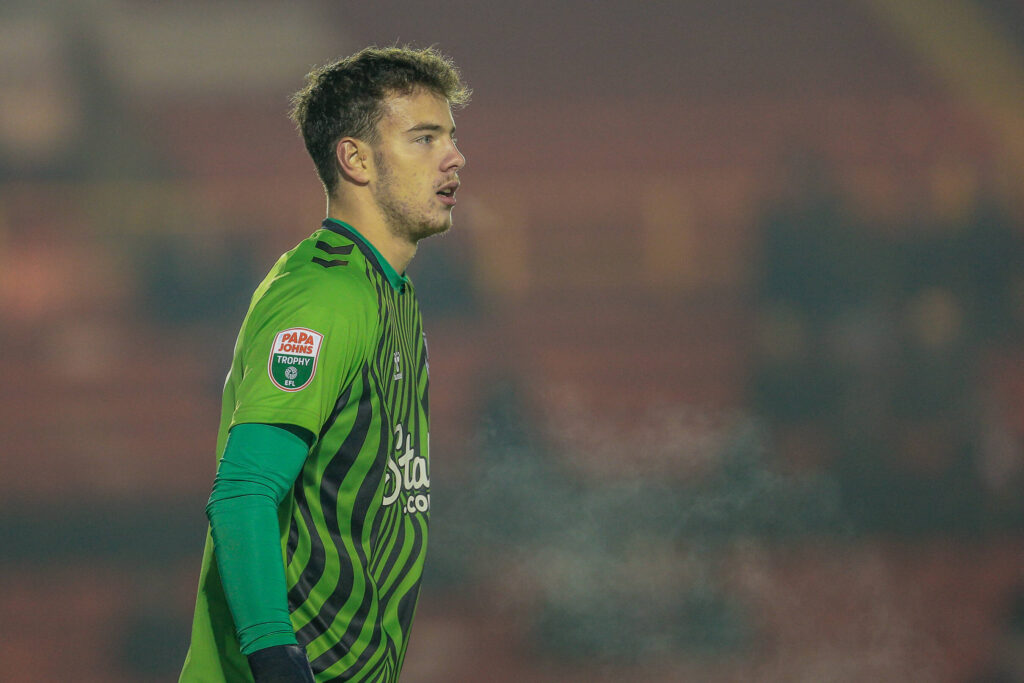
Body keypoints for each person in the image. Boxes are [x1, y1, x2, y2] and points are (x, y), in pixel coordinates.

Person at [179, 46, 470, 682]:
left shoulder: (392, 293)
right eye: (424, 138)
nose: (454, 157)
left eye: (450, 137)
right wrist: (277, 663)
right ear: (355, 158)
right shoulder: (324, 296)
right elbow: (243, 494)